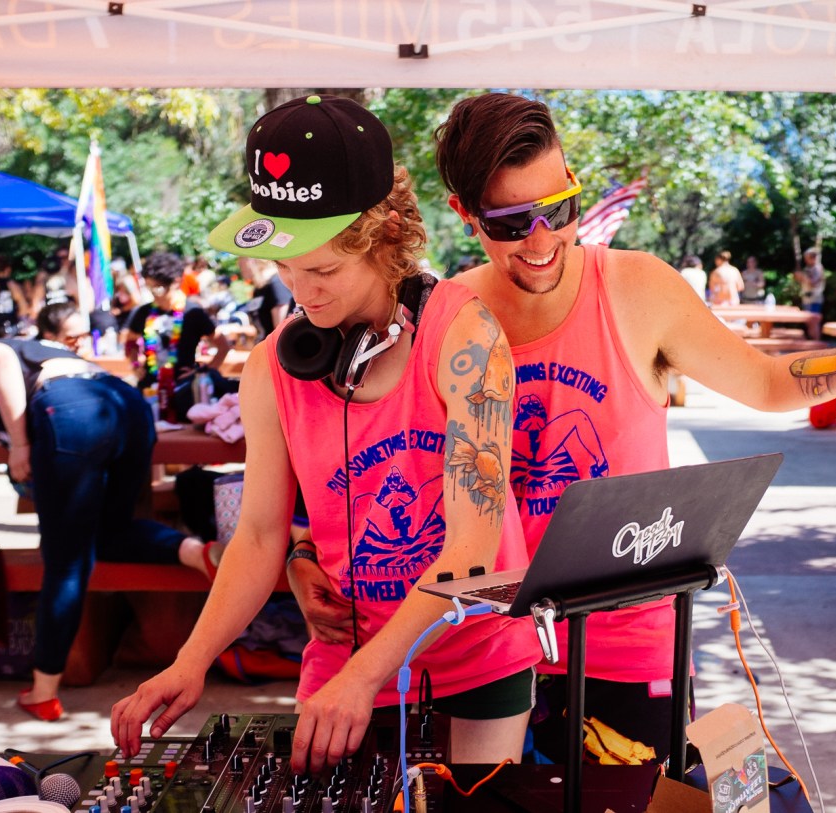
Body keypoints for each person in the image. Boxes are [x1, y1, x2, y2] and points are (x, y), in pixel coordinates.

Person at [287, 92, 836, 766]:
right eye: (509, 223)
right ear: (464, 215)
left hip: (626, 647)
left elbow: (769, 381)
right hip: (485, 656)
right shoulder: (448, 315)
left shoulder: (638, 289)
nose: (541, 241)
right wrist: (300, 548)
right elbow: (365, 451)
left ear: (574, 185)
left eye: (559, 209)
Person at [110, 94, 541, 774]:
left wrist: (367, 675)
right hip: (344, 660)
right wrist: (189, 662)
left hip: (476, 655)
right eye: (285, 268)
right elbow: (257, 536)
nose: (300, 292)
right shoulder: (271, 367)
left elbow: (474, 548)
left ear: (386, 237)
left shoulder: (465, 335)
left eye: (324, 269)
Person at [0, 301, 219, 720]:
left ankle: (44, 688)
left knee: (66, 561)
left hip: (72, 411)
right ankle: (195, 552)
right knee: (111, 533)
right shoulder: (59, 354)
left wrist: (20, 444)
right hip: (126, 406)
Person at [120, 251, 231, 389]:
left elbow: (223, 346)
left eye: (158, 289)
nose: (154, 294)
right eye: (149, 288)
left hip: (184, 387)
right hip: (150, 387)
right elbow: (130, 342)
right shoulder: (144, 312)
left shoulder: (192, 312)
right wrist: (136, 365)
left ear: (176, 282)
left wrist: (203, 373)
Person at [795, 247, 824, 314]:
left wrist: (803, 277)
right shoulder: (806, 269)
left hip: (815, 300)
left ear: (813, 257)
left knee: (813, 322)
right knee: (808, 322)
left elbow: (814, 283)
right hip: (806, 300)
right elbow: (802, 282)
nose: (805, 260)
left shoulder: (818, 268)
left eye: (807, 258)